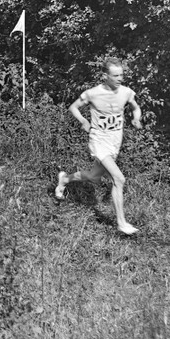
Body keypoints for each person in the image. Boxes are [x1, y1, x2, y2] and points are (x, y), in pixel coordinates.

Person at [55, 58, 143, 236]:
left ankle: (64, 179)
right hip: (98, 140)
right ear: (105, 76)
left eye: (121, 75)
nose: (120, 78)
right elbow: (73, 107)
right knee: (119, 179)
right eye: (115, 75)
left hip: (115, 141)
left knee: (94, 176)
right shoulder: (92, 93)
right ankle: (121, 223)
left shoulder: (126, 92)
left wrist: (136, 118)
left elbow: (136, 107)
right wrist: (83, 120)